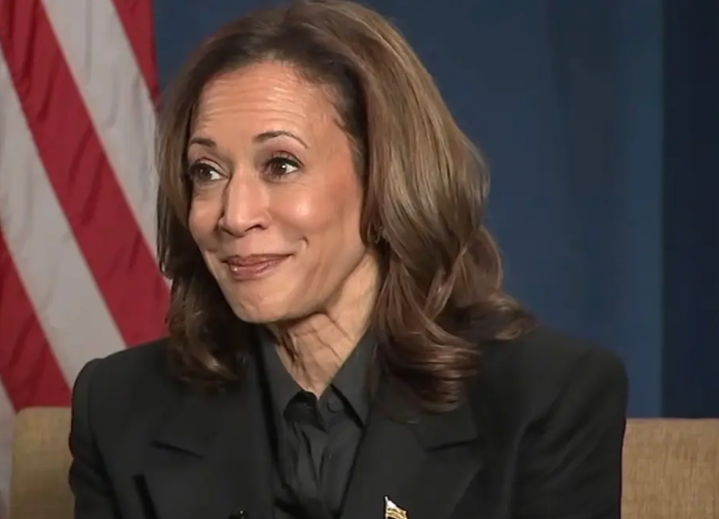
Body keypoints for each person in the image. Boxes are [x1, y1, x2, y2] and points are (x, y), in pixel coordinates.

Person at [68, 1, 628, 518]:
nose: (234, 216)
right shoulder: (117, 408)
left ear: (384, 177)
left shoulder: (547, 398)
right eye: (207, 171)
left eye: (281, 165)